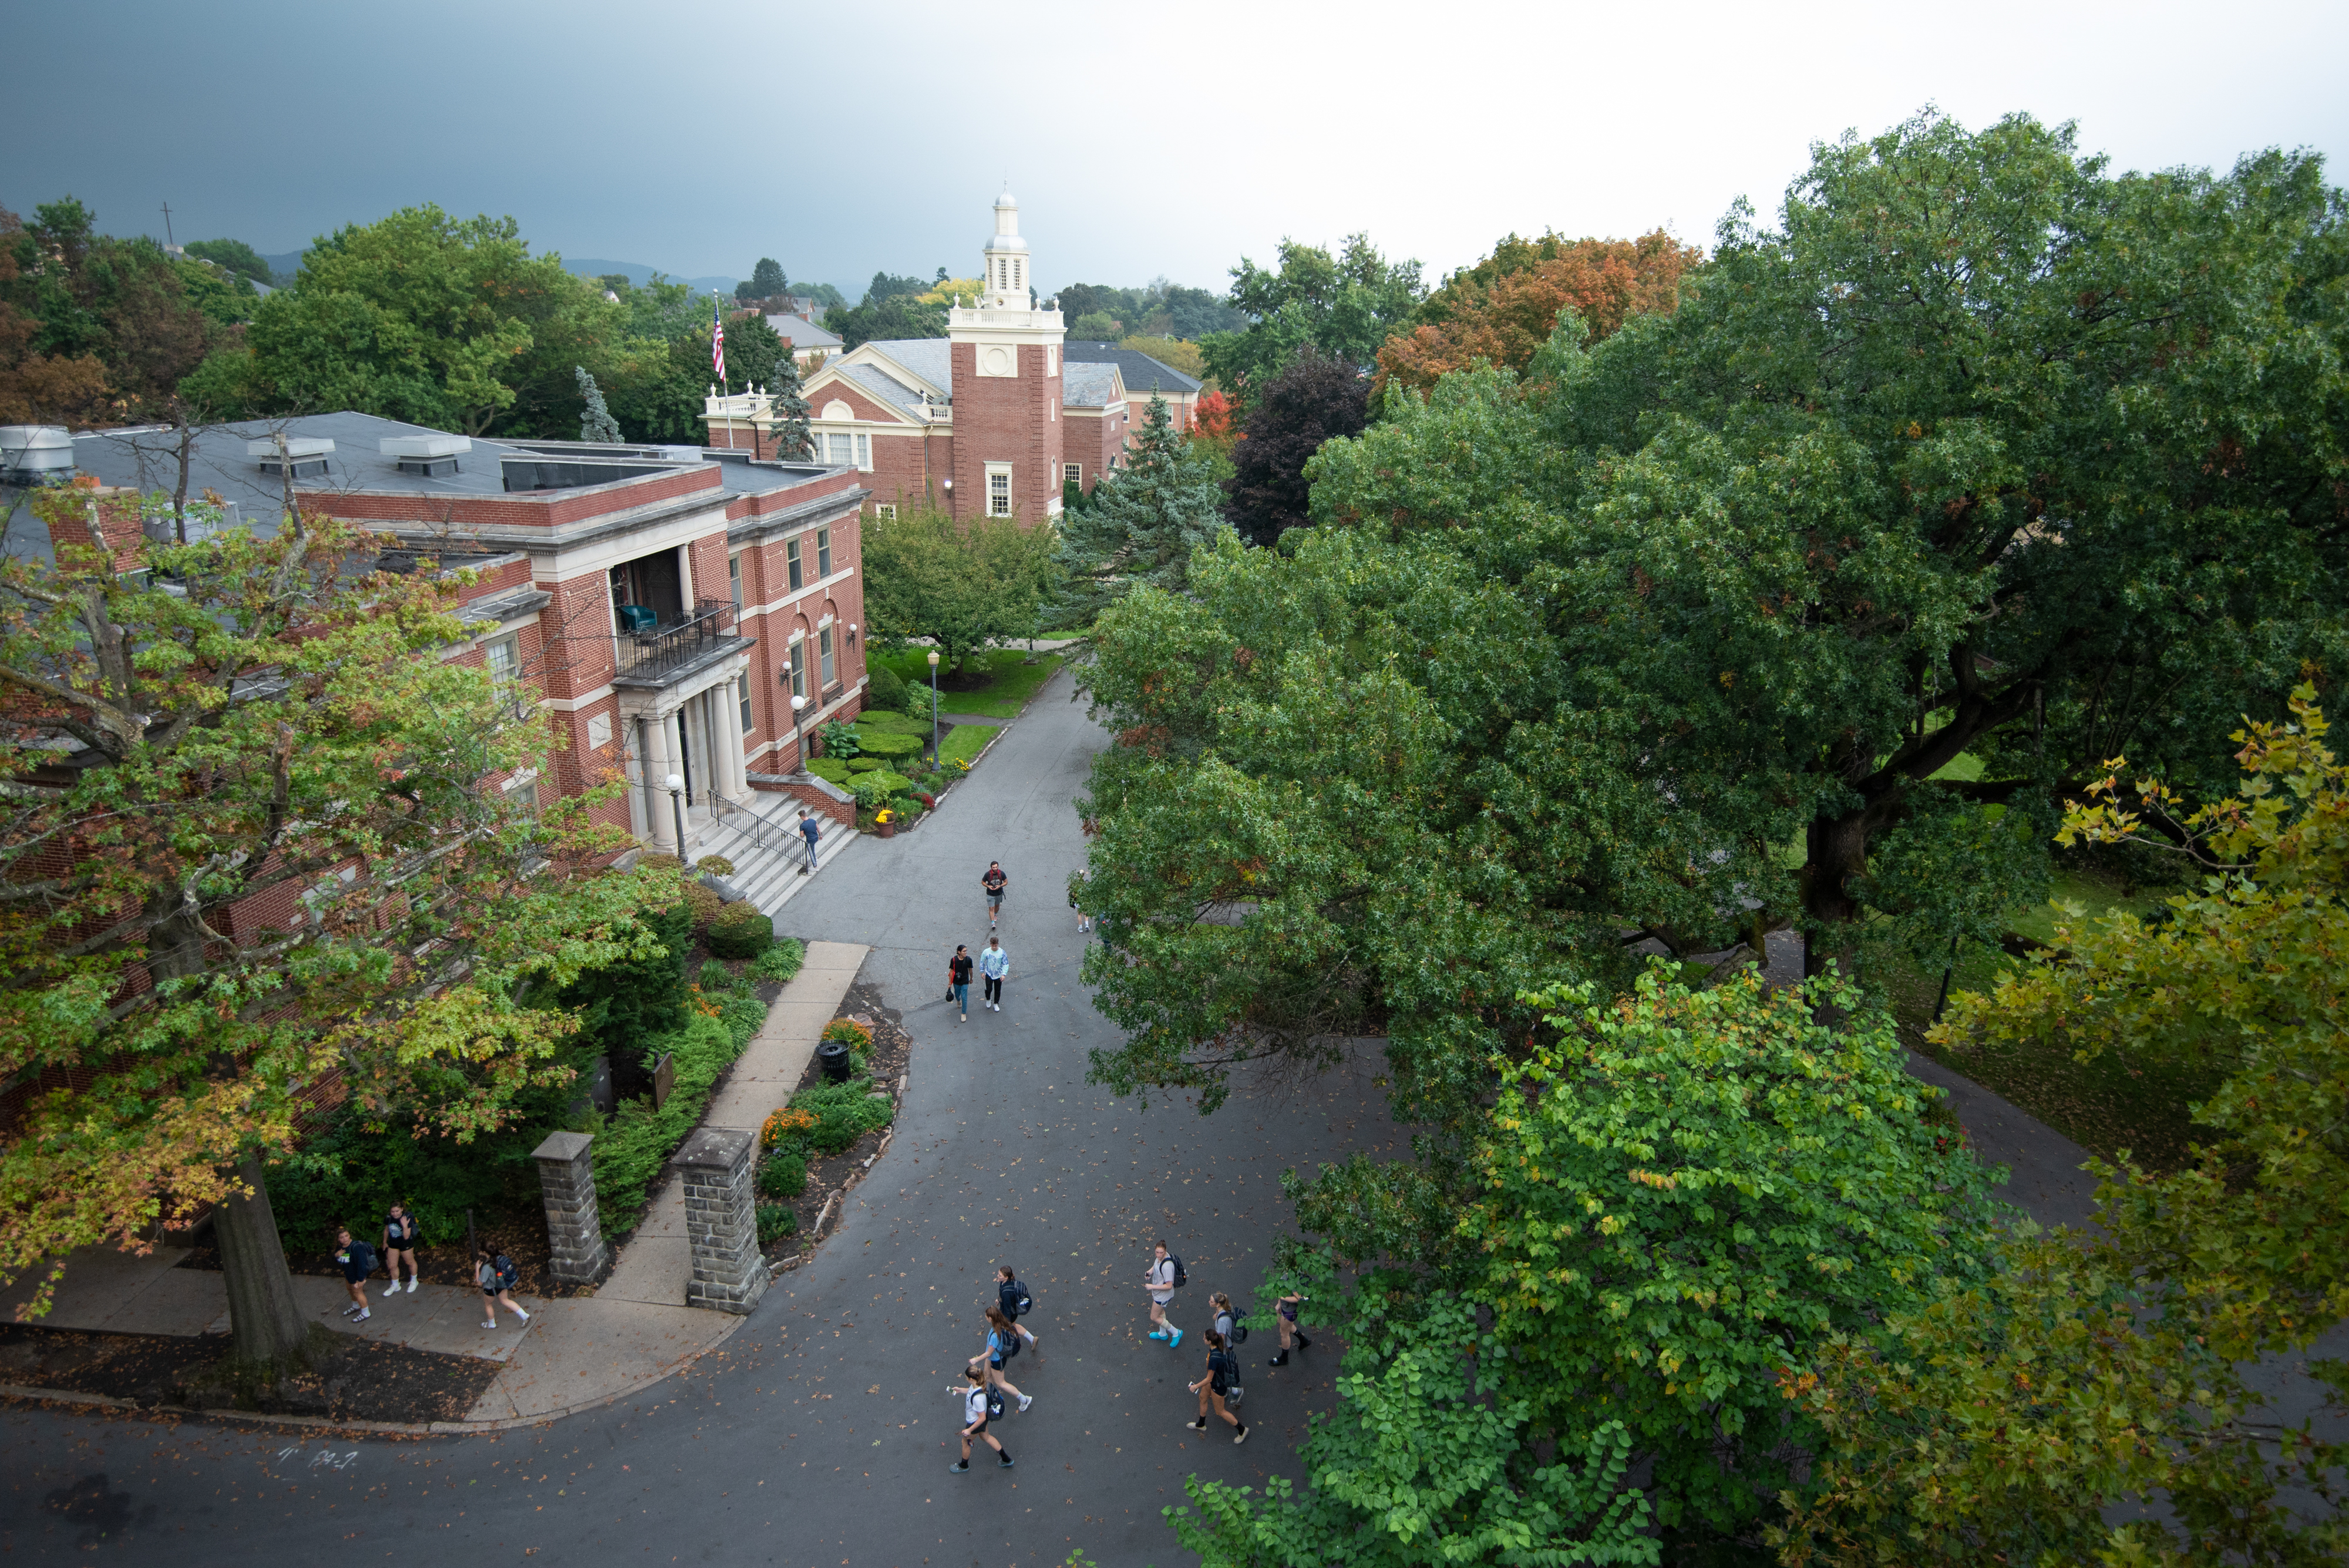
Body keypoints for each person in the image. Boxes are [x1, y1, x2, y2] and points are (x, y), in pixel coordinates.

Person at [947, 1366, 1013, 1473]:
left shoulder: (978, 1399)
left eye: (966, 1377)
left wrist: (969, 1430)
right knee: (986, 1437)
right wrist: (960, 1390)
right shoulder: (979, 1385)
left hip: (975, 1422)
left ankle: (963, 1465)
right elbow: (971, 1391)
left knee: (965, 1441)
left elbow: (982, 1418)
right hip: (979, 1422)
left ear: (971, 1379)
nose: (966, 1379)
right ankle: (1006, 1459)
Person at [1186, 1330, 1248, 1443]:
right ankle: (1201, 1424)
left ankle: (1242, 1430)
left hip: (1217, 1386)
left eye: (1204, 1338)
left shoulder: (1214, 1358)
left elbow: (1209, 1378)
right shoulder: (1215, 1349)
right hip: (1213, 1382)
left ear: (1210, 1341)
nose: (1203, 1339)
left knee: (1220, 1411)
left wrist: (1196, 1386)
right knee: (1203, 1398)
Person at [972, 1305, 1033, 1412]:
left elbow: (989, 1353)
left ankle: (1024, 1399)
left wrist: (976, 1360)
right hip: (994, 1357)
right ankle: (990, 1397)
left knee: (1001, 1383)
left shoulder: (995, 1335)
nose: (986, 1318)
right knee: (987, 1375)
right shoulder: (1001, 1324)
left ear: (990, 1318)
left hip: (996, 1360)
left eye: (986, 1316)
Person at [475, 1244, 530, 1330]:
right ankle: (524, 1316)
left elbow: (479, 1283)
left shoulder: (487, 1267)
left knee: (488, 1304)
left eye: (481, 1251)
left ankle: (491, 1324)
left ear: (485, 1253)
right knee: (505, 1300)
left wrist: (477, 1268)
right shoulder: (499, 1258)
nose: (479, 1253)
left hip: (490, 1289)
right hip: (501, 1284)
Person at [333, 1227, 376, 1322]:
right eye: (342, 1237)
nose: (345, 1239)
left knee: (358, 1293)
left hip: (357, 1276)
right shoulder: (340, 1248)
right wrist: (336, 1255)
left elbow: (362, 1264)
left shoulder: (356, 1247)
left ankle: (366, 1312)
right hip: (349, 1274)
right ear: (338, 1239)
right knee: (350, 1289)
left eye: (346, 1236)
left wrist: (361, 1279)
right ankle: (356, 1306)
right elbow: (337, 1260)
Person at [1143, 1239, 1181, 1348]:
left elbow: (1169, 1285)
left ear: (1165, 1251)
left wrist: (1152, 1287)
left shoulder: (1167, 1267)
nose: (1159, 1255)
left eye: (1161, 1253)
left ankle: (1176, 1332)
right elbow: (1156, 1266)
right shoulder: (1160, 1258)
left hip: (1163, 1296)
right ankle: (1163, 1334)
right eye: (1157, 1252)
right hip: (1159, 1294)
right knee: (1161, 1312)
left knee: (1154, 1317)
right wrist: (1149, 1273)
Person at [380, 1203, 420, 1296]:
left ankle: (414, 1281)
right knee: (392, 1265)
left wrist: (405, 1225)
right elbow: (386, 1230)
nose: (395, 1213)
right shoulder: (389, 1218)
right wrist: (385, 1242)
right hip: (393, 1244)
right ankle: (395, 1285)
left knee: (410, 1262)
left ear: (402, 1209)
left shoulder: (407, 1217)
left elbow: (406, 1236)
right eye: (393, 1211)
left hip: (406, 1244)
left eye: (397, 1211)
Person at [994, 1264, 1038, 1350]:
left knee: (1010, 1327)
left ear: (1006, 1277)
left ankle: (1011, 1344)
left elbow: (1007, 1309)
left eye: (1000, 1275)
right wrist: (999, 1299)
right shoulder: (1008, 1282)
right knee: (1014, 1326)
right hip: (1013, 1310)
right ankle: (1032, 1339)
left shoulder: (1006, 1293)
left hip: (1010, 1312)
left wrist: (1006, 1321)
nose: (997, 1276)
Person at [1269, 1288, 1311, 1367]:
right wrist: (1279, 1303)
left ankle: (1284, 1358)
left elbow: (1298, 1298)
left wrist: (1282, 1297)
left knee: (1284, 1333)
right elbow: (1282, 1288)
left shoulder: (1292, 1278)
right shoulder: (1285, 1276)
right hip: (1286, 1308)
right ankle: (1303, 1340)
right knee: (1283, 1324)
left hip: (1290, 1312)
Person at [978, 936, 1009, 1012]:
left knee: (998, 990)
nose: (994, 947)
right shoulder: (986, 952)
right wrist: (982, 972)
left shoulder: (1002, 952)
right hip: (989, 973)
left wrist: (1004, 974)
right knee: (989, 989)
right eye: (993, 946)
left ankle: (996, 1003)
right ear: (990, 944)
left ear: (998, 944)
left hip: (999, 975)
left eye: (995, 946)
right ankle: (988, 999)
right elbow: (982, 961)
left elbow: (1006, 964)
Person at [948, 944, 974, 1021]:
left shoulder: (969, 960)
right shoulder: (954, 960)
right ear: (959, 952)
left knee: (964, 998)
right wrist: (950, 984)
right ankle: (958, 1000)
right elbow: (952, 971)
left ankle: (963, 1014)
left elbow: (970, 969)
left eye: (966, 951)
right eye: (964, 951)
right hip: (956, 981)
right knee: (957, 994)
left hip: (965, 981)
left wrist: (971, 978)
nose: (965, 953)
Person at [981, 862, 1007, 927]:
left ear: (998, 867)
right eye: (994, 867)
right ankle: (993, 923)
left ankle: (995, 914)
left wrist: (1000, 886)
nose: (995, 869)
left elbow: (1006, 882)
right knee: (991, 908)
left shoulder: (1002, 874)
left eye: (996, 867)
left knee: (997, 906)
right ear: (991, 867)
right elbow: (983, 882)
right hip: (990, 894)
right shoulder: (987, 874)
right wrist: (988, 886)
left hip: (999, 893)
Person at [797, 809, 822, 874]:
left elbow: (802, 835)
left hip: (810, 840)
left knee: (811, 852)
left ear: (802, 817)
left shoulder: (802, 825)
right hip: (816, 837)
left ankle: (815, 866)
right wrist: (820, 835)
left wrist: (805, 832)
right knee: (812, 848)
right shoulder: (813, 821)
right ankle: (815, 858)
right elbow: (818, 828)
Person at [1070, 868, 1091, 934]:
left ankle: (1080, 928)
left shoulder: (1075, 884)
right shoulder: (1086, 883)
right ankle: (1087, 925)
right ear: (1083, 875)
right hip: (1084, 900)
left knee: (1080, 914)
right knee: (1086, 912)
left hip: (1078, 901)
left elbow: (1073, 894)